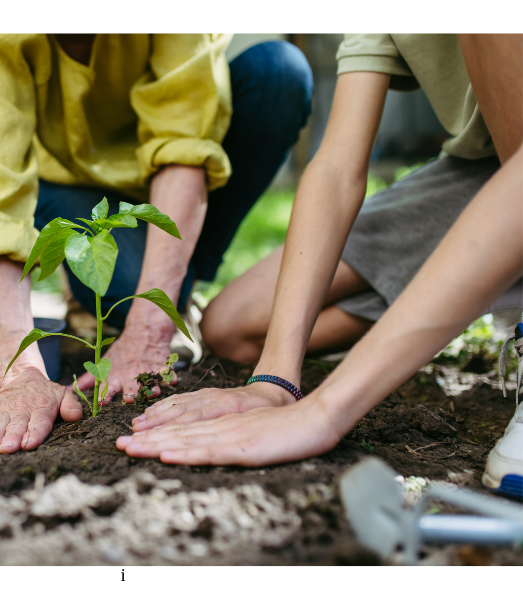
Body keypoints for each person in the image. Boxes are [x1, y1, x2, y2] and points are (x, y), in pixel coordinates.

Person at [117, 34, 523, 497]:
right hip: (478, 171)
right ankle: (477, 286)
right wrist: (274, 382)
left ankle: (488, 283)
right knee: (232, 326)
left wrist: (323, 412)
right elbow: (336, 168)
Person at [0, 35, 313, 453]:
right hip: (66, 185)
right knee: (127, 289)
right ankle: (168, 295)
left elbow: (184, 144)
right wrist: (19, 373)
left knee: (279, 72)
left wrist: (149, 328)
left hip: (170, 187)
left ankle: (174, 294)